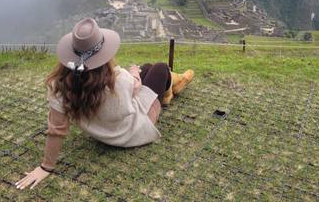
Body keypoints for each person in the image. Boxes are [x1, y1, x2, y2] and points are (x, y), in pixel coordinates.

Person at [15, 18, 194, 190]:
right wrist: (134, 76)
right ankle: (172, 88)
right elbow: (134, 88)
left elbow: (56, 130)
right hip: (134, 129)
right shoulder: (120, 80)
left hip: (103, 132)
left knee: (146, 67)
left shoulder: (60, 87)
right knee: (160, 68)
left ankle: (171, 87)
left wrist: (46, 167)